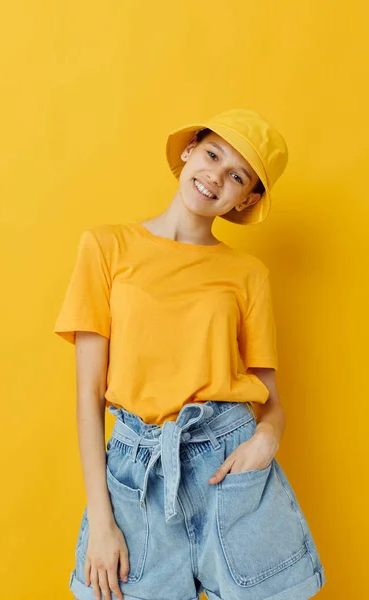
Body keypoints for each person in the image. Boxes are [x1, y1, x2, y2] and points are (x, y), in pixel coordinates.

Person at [54, 108, 327, 600]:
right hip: (137, 471)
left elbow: (270, 401)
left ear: (248, 197)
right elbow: (88, 394)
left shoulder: (248, 274)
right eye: (212, 154)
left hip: (230, 465)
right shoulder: (106, 247)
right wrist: (101, 518)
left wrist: (267, 437)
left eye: (236, 175)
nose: (215, 176)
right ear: (189, 150)